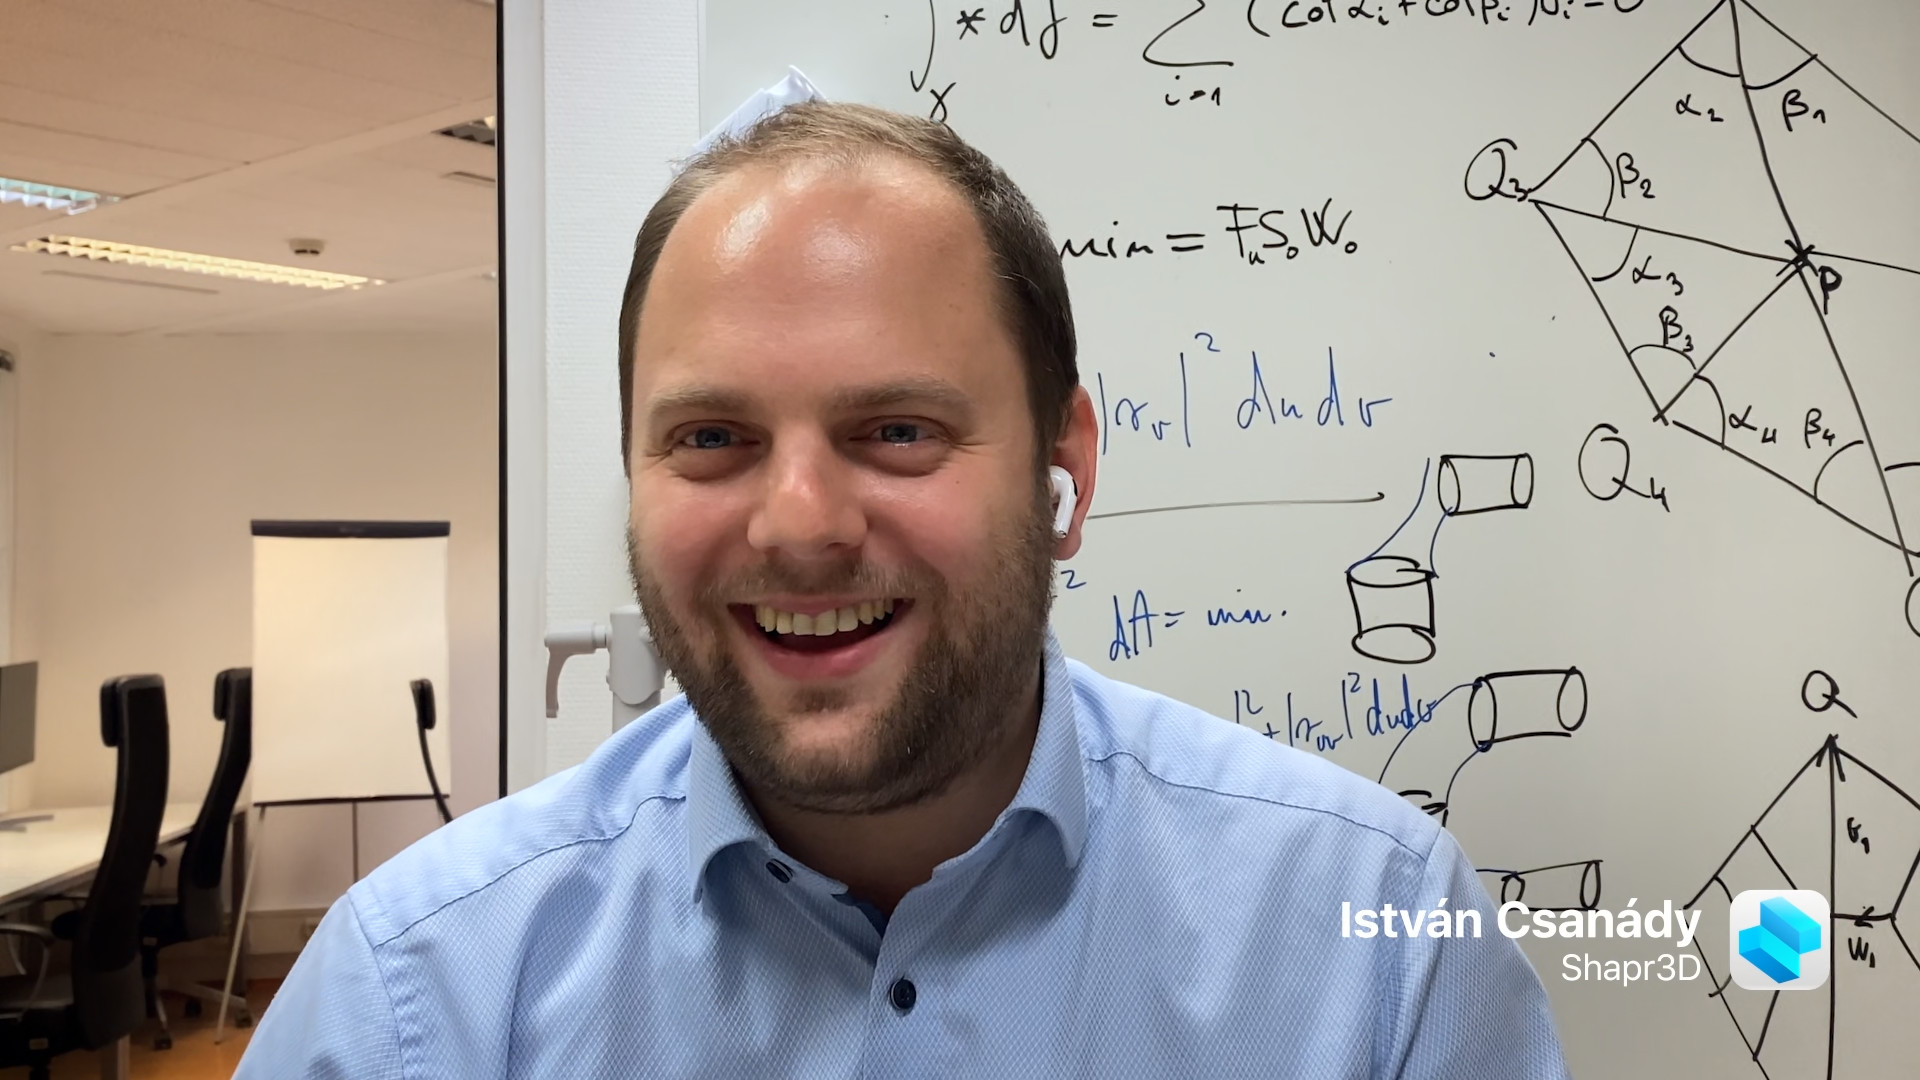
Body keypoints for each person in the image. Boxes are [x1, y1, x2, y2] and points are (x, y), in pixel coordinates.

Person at [237, 102, 1570, 1078]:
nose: (800, 525)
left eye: (897, 432)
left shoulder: (1378, 947)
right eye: (713, 439)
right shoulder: (419, 1001)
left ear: (1065, 470)